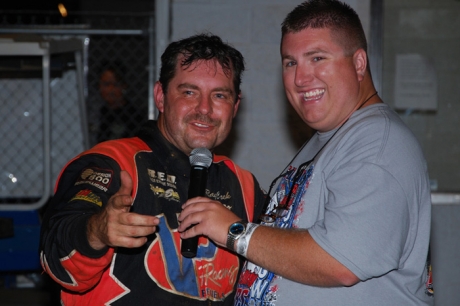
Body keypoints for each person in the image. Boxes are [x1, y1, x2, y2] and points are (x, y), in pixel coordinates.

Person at [177, 1, 433, 305]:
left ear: (359, 63)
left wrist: (234, 231)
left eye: (317, 58)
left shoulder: (377, 141)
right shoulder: (328, 139)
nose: (300, 78)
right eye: (290, 62)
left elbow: (342, 262)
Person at [39, 33, 266, 305]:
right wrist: (96, 231)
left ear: (235, 107)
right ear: (160, 96)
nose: (204, 109)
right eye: (189, 92)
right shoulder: (112, 163)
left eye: (219, 95)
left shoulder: (244, 185)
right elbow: (57, 261)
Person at [96, 61, 147, 143]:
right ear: (99, 86)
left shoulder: (134, 115)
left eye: (115, 84)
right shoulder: (98, 114)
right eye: (106, 84)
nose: (111, 90)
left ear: (123, 86)